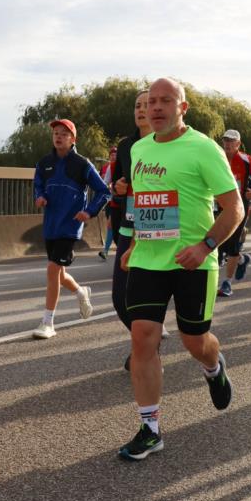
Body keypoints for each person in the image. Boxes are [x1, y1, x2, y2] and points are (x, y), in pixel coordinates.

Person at [118, 78, 243, 459]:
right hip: (148, 260)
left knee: (194, 342)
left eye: (165, 101)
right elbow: (145, 202)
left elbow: (233, 208)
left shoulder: (204, 149)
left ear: (182, 108)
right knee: (143, 337)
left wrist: (205, 246)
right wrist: (136, 243)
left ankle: (213, 366)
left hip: (194, 262)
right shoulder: (139, 149)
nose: (155, 108)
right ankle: (150, 428)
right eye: (151, 102)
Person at [32, 119, 110, 339]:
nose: (58, 137)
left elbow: (103, 191)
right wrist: (39, 196)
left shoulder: (82, 164)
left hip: (70, 226)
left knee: (52, 270)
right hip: (51, 225)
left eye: (64, 134)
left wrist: (90, 211)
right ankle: (81, 291)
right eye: (56, 133)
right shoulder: (44, 163)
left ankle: (48, 322)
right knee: (59, 273)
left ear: (73, 139)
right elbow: (37, 183)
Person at [111, 90, 152, 367]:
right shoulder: (126, 146)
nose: (141, 110)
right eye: (137, 105)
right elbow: (116, 184)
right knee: (119, 297)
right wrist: (120, 188)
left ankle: (146, 350)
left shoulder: (169, 144)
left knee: (147, 297)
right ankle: (148, 343)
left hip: (159, 231)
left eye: (147, 104)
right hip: (129, 227)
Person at [217, 130, 251, 297]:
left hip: (240, 205)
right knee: (222, 242)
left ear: (238, 144)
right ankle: (242, 259)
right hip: (221, 205)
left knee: (233, 243)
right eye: (226, 140)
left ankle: (227, 283)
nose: (228, 144)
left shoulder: (246, 160)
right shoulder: (218, 157)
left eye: (232, 141)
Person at [98, 146, 119, 260]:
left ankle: (110, 250)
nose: (114, 156)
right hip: (111, 201)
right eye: (112, 155)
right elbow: (104, 183)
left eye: (116, 154)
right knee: (110, 226)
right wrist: (108, 186)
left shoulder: (126, 164)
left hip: (124, 201)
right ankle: (106, 251)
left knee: (116, 226)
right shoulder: (109, 167)